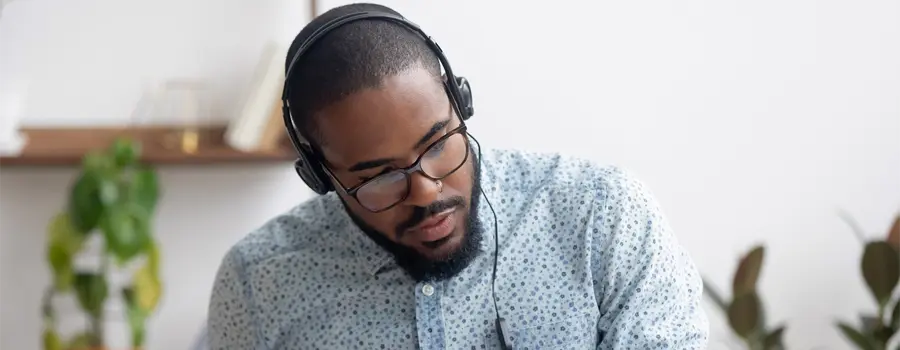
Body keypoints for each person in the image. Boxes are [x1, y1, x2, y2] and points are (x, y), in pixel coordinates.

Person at [207, 3, 709, 349]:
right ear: (321, 176)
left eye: (438, 143)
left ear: (459, 103)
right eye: (380, 177)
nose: (426, 192)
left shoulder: (602, 216)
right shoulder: (258, 284)